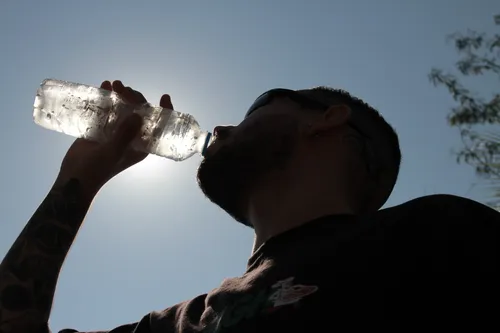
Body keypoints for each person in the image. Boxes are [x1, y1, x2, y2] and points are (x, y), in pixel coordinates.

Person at [0, 80, 499, 333]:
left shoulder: (434, 235)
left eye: (256, 106)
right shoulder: (185, 322)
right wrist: (80, 179)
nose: (221, 129)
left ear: (326, 120)